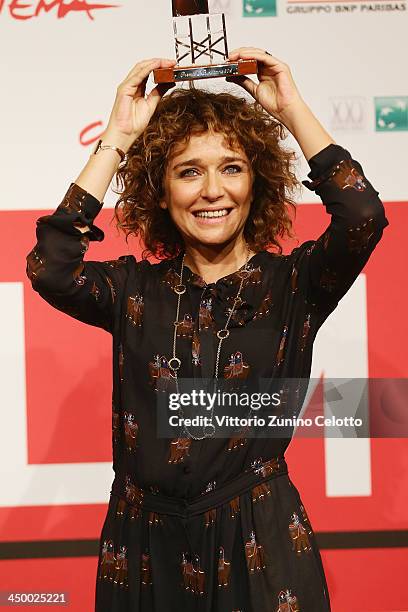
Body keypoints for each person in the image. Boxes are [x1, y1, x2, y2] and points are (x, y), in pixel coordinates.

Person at [26, 49, 389, 611]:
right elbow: (50, 268)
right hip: (142, 544)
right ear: (161, 191)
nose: (212, 190)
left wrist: (289, 108)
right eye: (188, 171)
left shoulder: (295, 285)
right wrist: (118, 138)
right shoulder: (132, 292)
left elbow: (362, 214)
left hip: (259, 538)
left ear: (257, 182)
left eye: (231, 167)